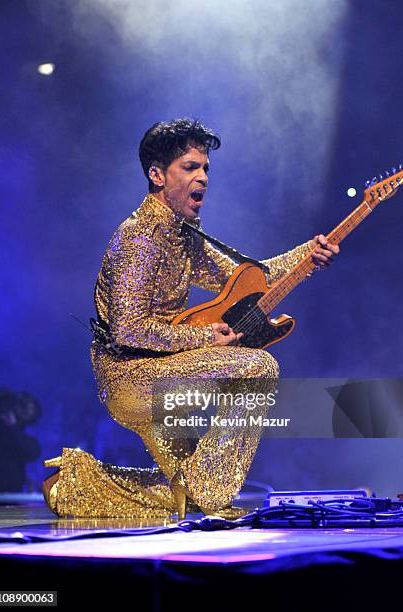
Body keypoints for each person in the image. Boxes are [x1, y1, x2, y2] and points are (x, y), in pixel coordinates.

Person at [43, 118, 339, 519]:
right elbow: (129, 329)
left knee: (186, 495)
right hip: (133, 378)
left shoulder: (182, 234)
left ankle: (76, 485)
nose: (203, 177)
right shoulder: (141, 236)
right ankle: (213, 497)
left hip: (165, 367)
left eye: (206, 169)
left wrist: (310, 254)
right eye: (190, 168)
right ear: (157, 175)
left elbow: (248, 280)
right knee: (257, 368)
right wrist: (204, 338)